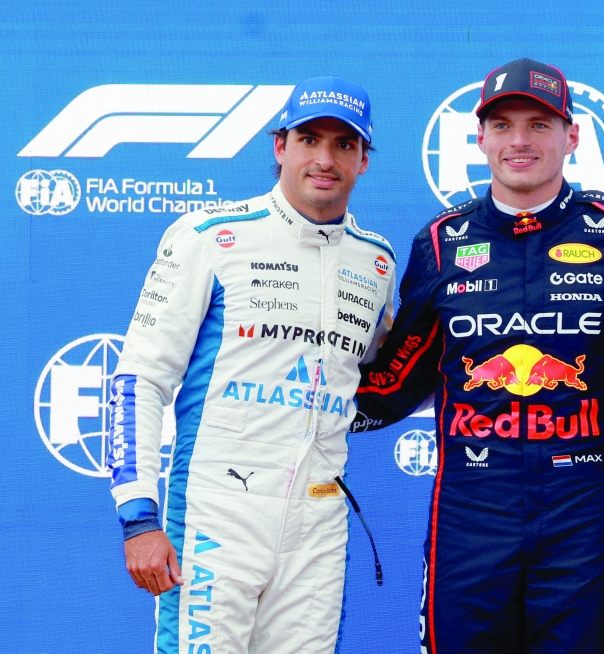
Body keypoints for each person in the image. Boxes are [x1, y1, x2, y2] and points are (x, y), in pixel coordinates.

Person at [352, 58, 604, 653]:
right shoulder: (440, 242)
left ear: (571, 136)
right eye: (503, 125)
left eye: (539, 124)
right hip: (471, 514)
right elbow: (399, 375)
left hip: (582, 515)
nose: (519, 141)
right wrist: (305, 400)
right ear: (481, 138)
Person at [108, 76, 395, 654]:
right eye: (309, 138)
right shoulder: (209, 236)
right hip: (218, 511)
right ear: (279, 146)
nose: (324, 158)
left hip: (319, 519)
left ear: (363, 159)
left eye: (344, 144)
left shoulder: (377, 262)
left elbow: (377, 377)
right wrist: (139, 519)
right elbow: (140, 377)